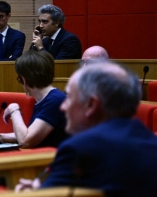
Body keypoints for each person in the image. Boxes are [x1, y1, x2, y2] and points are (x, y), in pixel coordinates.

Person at [16, 62, 157, 196]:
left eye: (69, 97)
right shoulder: (151, 141)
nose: (63, 106)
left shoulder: (80, 149)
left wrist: (30, 192)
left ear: (91, 105)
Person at [0, 50, 68, 148]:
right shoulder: (47, 99)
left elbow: (25, 141)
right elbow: (29, 134)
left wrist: (14, 109)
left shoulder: (54, 101)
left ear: (24, 80)